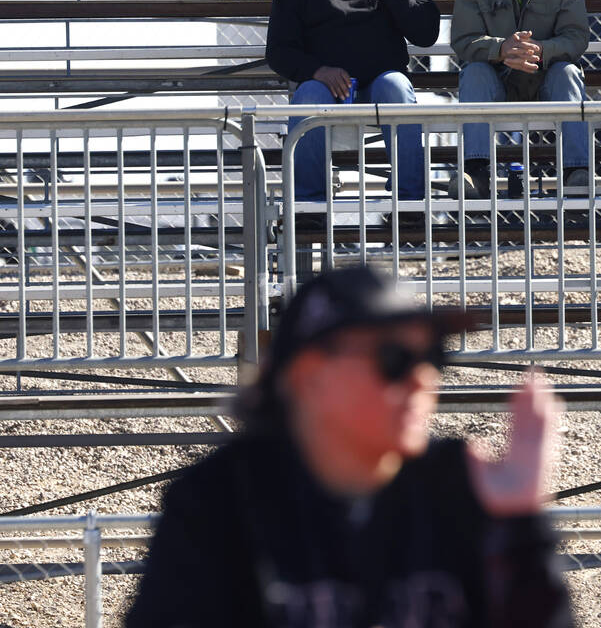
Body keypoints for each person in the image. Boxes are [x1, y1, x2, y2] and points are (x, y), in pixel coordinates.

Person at [127, 264, 572, 628]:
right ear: (307, 377)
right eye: (394, 360)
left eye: (433, 357)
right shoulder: (222, 499)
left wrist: (521, 532)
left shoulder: (460, 487)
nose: (423, 379)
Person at [266, 0, 440, 205]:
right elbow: (278, 51)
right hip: (325, 87)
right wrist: (318, 71)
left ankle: (411, 201)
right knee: (308, 96)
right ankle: (309, 205)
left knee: (396, 86)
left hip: (380, 86)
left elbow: (426, 32)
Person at [450, 0, 590, 199]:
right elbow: (463, 40)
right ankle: (476, 172)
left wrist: (540, 50)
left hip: (547, 76)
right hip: (495, 78)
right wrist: (501, 49)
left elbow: (577, 37)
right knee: (474, 72)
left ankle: (576, 171)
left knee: (567, 72)